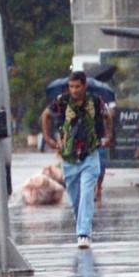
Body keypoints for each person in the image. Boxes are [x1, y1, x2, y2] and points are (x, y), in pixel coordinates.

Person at [40, 71, 110, 249]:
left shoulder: (95, 101)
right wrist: (48, 138)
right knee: (75, 198)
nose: (74, 90)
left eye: (77, 86)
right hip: (69, 157)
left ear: (84, 86)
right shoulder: (62, 101)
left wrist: (108, 136)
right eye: (71, 87)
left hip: (90, 154)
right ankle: (83, 224)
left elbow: (108, 116)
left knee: (87, 194)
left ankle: (83, 234)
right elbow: (46, 115)